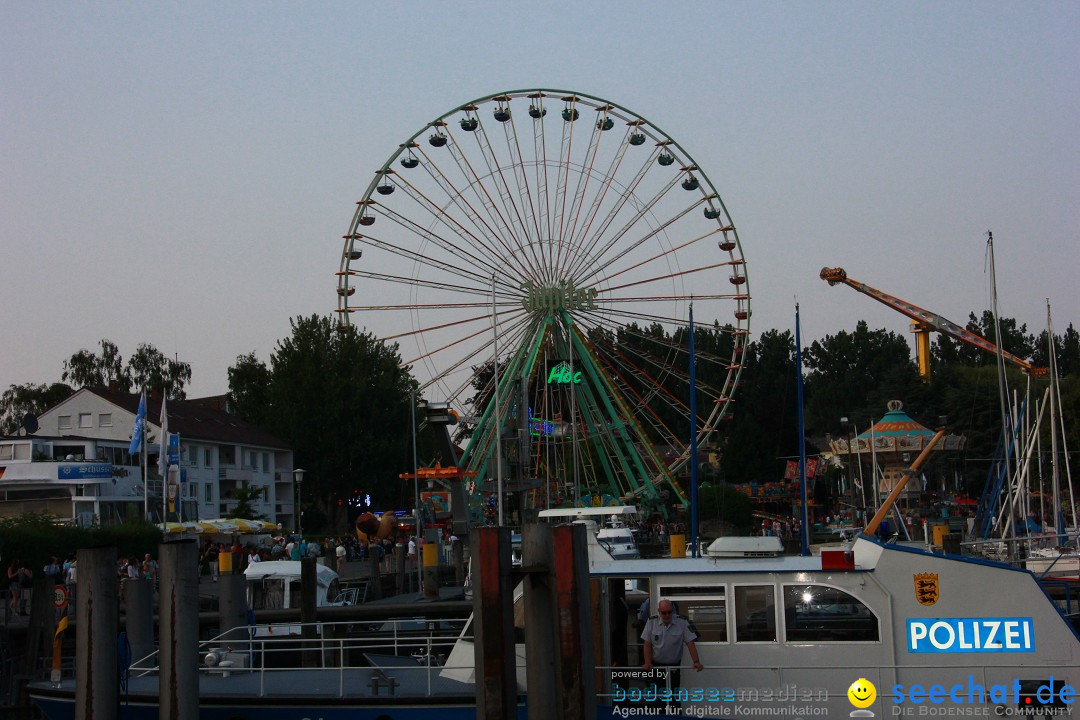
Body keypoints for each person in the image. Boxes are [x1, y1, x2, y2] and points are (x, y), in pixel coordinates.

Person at [641, 598, 702, 711]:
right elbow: (647, 643)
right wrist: (647, 662)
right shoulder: (651, 622)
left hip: (674, 668)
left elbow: (690, 643)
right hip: (656, 667)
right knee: (658, 699)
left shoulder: (682, 622)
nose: (667, 615)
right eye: (664, 612)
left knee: (674, 698)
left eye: (669, 612)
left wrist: (696, 661)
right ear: (659, 611)